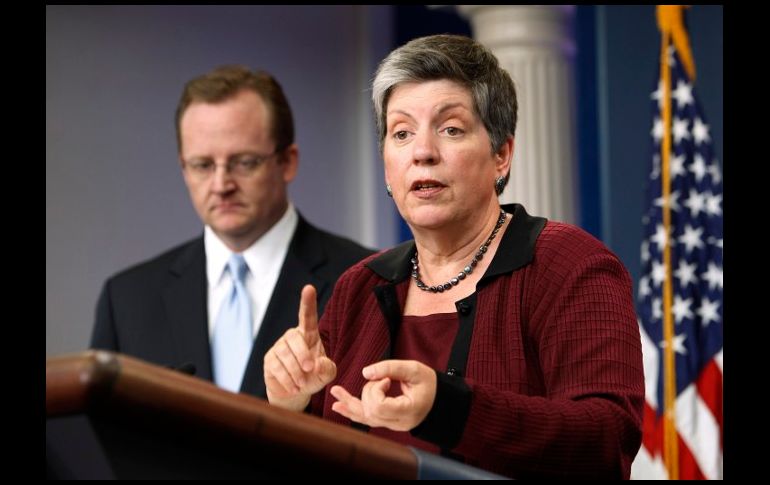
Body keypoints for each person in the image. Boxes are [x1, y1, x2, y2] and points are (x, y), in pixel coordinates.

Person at [263, 35, 644, 479]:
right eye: (401, 133)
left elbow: (607, 440)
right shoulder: (360, 288)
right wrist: (293, 404)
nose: (422, 153)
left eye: (451, 129)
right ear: (387, 167)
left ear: (501, 154)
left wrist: (449, 408)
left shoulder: (568, 264)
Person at [91, 66, 374, 398]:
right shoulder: (127, 299)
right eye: (202, 165)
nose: (221, 185)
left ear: (288, 162)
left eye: (244, 162)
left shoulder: (363, 282)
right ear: (184, 168)